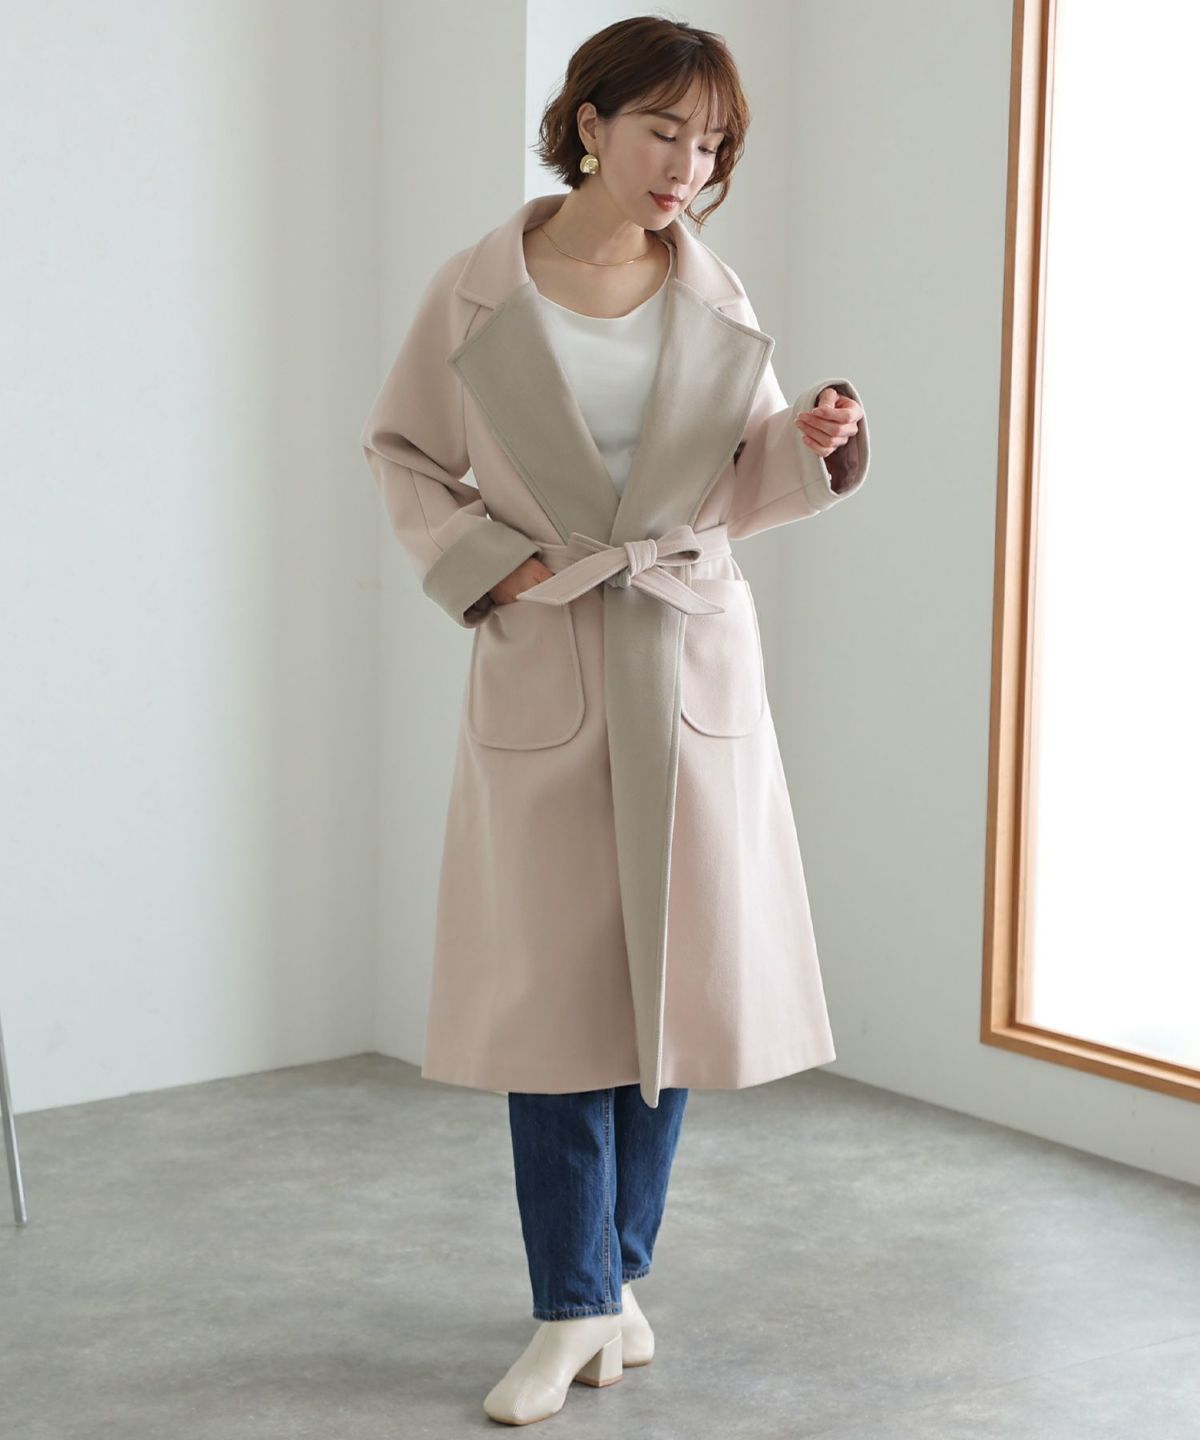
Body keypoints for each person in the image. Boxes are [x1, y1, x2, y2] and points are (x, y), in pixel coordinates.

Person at [359, 15, 869, 1427]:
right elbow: (404, 453)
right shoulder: (479, 290)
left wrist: (812, 443)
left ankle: (610, 1284)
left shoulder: (715, 293)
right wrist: (494, 567)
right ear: (589, 123)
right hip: (550, 652)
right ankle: (574, 1302)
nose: (687, 168)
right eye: (663, 132)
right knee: (553, 1007)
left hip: (689, 652)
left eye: (711, 145)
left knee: (671, 998)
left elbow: (740, 478)